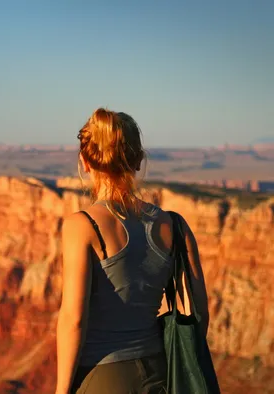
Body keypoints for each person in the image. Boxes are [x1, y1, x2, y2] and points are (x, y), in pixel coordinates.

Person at [54, 108, 210, 394]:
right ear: (138, 161)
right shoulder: (174, 226)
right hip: (160, 375)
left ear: (85, 162)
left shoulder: (83, 226)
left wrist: (62, 391)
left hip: (102, 377)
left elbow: (73, 320)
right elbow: (197, 311)